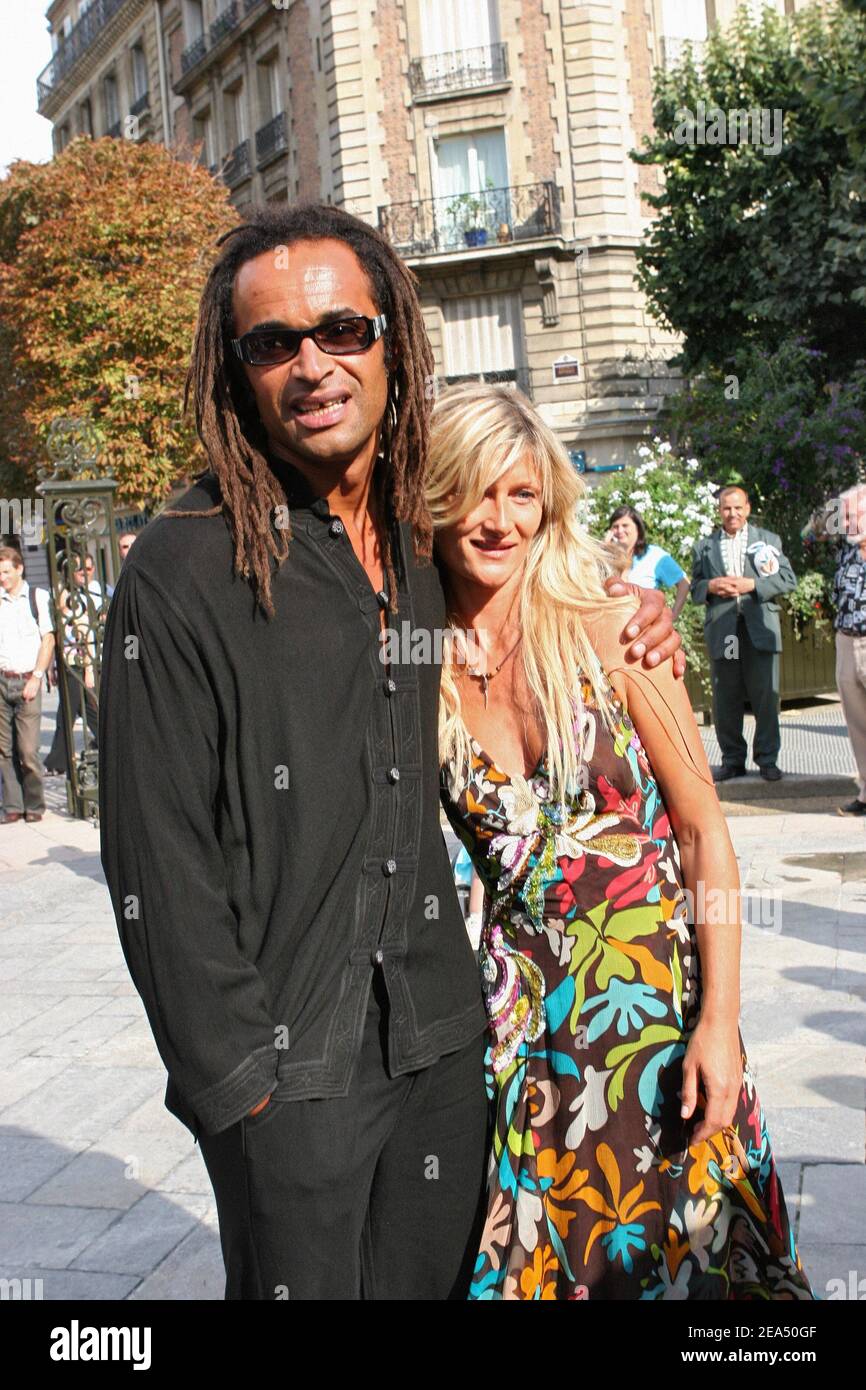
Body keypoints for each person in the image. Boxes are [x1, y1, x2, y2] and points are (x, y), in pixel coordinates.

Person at [98, 203, 683, 1302]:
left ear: (392, 341)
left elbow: (530, 589)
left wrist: (643, 618)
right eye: (271, 342)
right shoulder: (182, 573)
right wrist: (245, 1092)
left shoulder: (424, 543)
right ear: (236, 371)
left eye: (340, 330)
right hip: (289, 1075)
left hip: (442, 1046)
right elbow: (155, 865)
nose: (310, 364)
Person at [430, 382, 812, 1300]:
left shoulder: (614, 631)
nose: (498, 521)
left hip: (659, 1015)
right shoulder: (416, 664)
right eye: (475, 492)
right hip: (525, 1034)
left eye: (522, 495)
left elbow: (701, 828)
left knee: (703, 1271)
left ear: (549, 506)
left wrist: (719, 1022)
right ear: (434, 498)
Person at [690, 486, 796, 783]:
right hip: (727, 631)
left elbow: (788, 579)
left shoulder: (767, 540)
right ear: (719, 511)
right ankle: (732, 760)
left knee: (765, 696)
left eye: (737, 508)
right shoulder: (704, 547)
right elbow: (695, 588)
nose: (732, 513)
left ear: (747, 509)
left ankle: (768, 760)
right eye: (726, 508)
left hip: (758, 628)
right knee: (727, 696)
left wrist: (753, 585)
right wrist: (711, 587)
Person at [802, 486, 866, 816]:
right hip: (846, 638)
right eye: (851, 516)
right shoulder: (844, 545)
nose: (854, 521)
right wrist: (836, 508)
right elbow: (808, 535)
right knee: (857, 722)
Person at [0, 547, 55, 824]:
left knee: (27, 750)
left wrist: (37, 675)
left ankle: (34, 804)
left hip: (27, 680)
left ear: (20, 569)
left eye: (6, 571)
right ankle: (12, 804)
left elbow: (48, 639)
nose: (2, 577)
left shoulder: (37, 597)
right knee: (3, 749)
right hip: (2, 679)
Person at [606, 505, 689, 619]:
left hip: (644, 625)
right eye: (615, 526)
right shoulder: (607, 557)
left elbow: (683, 583)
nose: (620, 530)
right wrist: (605, 549)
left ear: (638, 529)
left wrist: (672, 616)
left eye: (625, 525)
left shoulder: (654, 555)